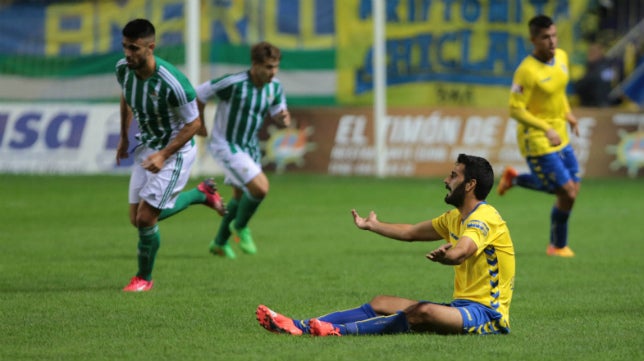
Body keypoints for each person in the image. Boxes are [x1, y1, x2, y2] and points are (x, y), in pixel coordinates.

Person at [256, 154, 515, 336]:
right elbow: (412, 232)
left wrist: (450, 255)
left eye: (454, 175)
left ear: (470, 185)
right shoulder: (454, 219)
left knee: (421, 312)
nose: (446, 180)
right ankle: (299, 326)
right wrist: (374, 225)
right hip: (462, 308)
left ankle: (336, 331)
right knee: (381, 302)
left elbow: (464, 250)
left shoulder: (485, 217)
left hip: (487, 316)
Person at [115, 19, 226, 292]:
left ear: (150, 47)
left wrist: (164, 155)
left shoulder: (175, 84)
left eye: (134, 48)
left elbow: (195, 125)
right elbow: (127, 97)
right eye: (125, 47)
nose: (128, 54)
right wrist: (123, 136)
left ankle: (143, 278)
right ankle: (201, 194)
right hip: (147, 147)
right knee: (136, 218)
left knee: (145, 219)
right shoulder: (123, 70)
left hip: (174, 152)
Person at [195, 41, 290, 259]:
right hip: (225, 144)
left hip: (249, 147)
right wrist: (199, 123)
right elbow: (199, 93)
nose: (272, 72)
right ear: (254, 64)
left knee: (239, 197)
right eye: (267, 67)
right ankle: (240, 227)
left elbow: (280, 113)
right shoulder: (234, 83)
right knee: (260, 188)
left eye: (275, 67)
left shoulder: (274, 87)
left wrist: (283, 119)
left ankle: (218, 243)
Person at [498, 14, 581, 258]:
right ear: (533, 40)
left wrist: (568, 114)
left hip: (561, 134)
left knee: (572, 190)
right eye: (546, 37)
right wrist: (545, 128)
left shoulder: (562, 58)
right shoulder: (526, 71)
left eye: (554, 35)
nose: (552, 42)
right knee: (565, 191)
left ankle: (514, 179)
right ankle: (557, 246)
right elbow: (514, 109)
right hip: (536, 139)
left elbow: (558, 92)